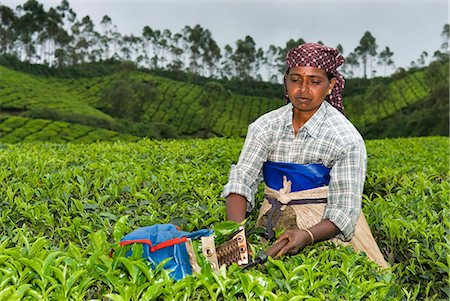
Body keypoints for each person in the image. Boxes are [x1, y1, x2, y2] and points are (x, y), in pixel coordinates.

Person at [222, 42, 388, 268]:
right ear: (286, 81)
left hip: (325, 230)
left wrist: (307, 235)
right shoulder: (265, 127)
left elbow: (343, 212)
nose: (303, 89)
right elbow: (242, 181)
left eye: (315, 81)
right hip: (272, 222)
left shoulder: (345, 138)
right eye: (296, 79)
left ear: (331, 85)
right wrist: (236, 237)